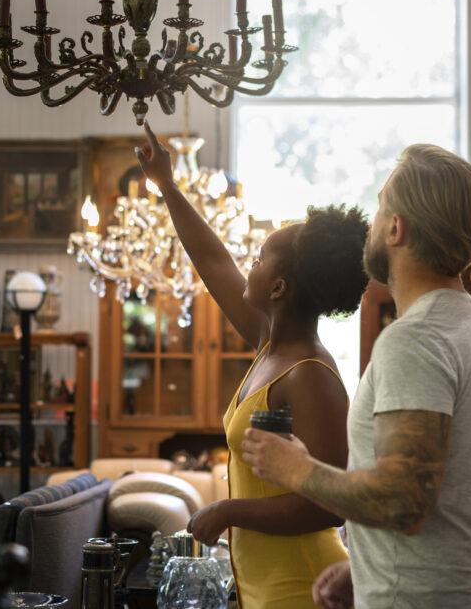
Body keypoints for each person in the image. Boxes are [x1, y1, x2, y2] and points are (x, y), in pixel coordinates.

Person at [242, 144, 471, 608]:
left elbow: (402, 501)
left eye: (378, 208)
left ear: (395, 228)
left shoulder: (415, 339)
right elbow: (451, 499)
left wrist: (295, 468)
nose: (371, 223)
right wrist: (367, 565)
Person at [137, 122, 369, 609]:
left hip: (303, 587)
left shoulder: (310, 374)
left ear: (280, 287)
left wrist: (228, 510)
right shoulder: (269, 345)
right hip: (262, 587)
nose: (250, 263)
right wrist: (167, 186)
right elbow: (213, 261)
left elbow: (329, 505)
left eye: (261, 257)